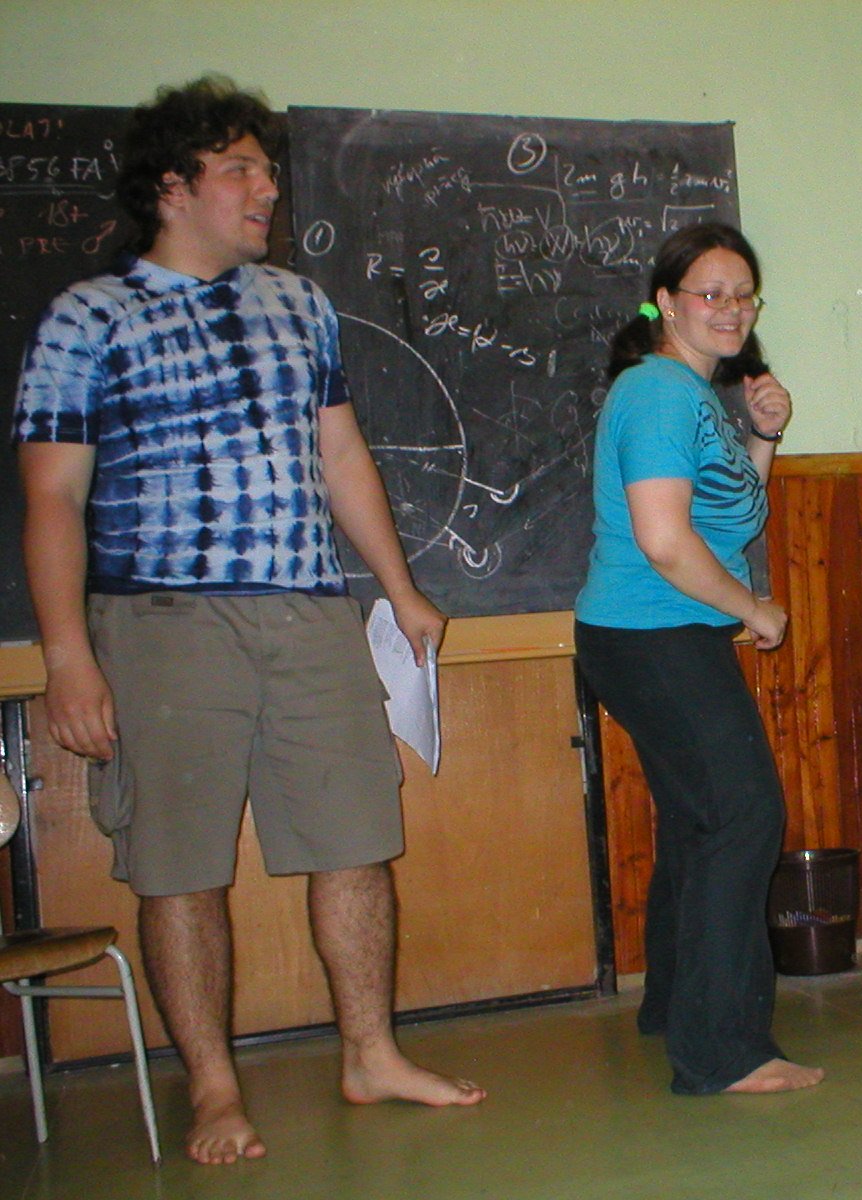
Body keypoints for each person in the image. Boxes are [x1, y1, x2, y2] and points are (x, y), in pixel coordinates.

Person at [12, 76, 485, 1165]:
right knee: (179, 865)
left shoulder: (299, 304)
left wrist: (400, 587)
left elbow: (341, 453)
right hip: (160, 620)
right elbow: (51, 497)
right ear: (173, 187)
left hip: (311, 612)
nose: (267, 188)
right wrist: (68, 655)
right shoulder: (88, 317)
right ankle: (215, 1089)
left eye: (268, 169)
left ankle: (371, 1054)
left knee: (356, 842)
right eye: (241, 169)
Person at [573, 222, 823, 1095]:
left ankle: (676, 1007)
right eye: (710, 293)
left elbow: (729, 515)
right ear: (667, 304)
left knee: (699, 822)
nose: (730, 308)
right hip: (652, 633)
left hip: (657, 635)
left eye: (743, 295)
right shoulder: (655, 394)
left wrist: (764, 434)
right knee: (744, 816)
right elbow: (666, 541)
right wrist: (753, 608)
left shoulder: (696, 396)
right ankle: (722, 1051)